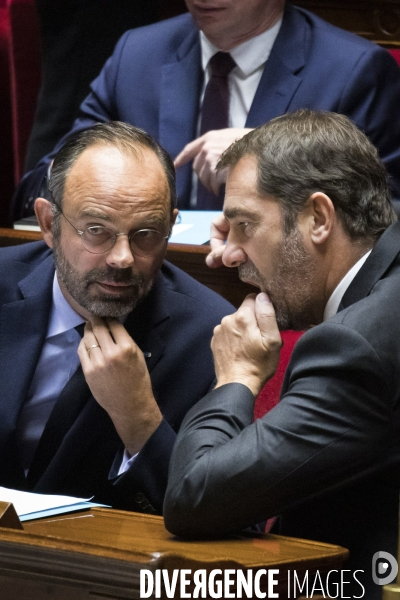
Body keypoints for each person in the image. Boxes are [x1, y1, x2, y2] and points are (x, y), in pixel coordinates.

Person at [163, 110, 400, 599]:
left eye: (245, 225)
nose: (228, 255)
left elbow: (194, 497)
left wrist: (237, 375)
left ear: (318, 218)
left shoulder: (358, 347)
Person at [0, 121, 233, 514]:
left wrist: (138, 415)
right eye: (96, 230)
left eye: (145, 233)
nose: (122, 258)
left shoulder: (208, 337)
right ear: (48, 224)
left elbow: (211, 511)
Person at [11, 0, 400, 219]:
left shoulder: (353, 71)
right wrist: (106, 173)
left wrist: (274, 160)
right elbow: (37, 192)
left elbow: (386, 218)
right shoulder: (137, 55)